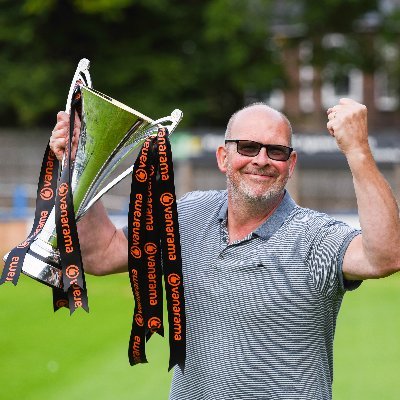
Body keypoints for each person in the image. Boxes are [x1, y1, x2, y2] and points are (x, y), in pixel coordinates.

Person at [50, 98, 400, 400]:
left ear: (290, 165)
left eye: (276, 151)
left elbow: (385, 255)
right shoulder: (188, 215)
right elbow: (102, 252)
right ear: (223, 157)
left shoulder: (314, 237)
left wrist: (357, 149)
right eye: (248, 147)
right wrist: (79, 164)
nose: (261, 159)